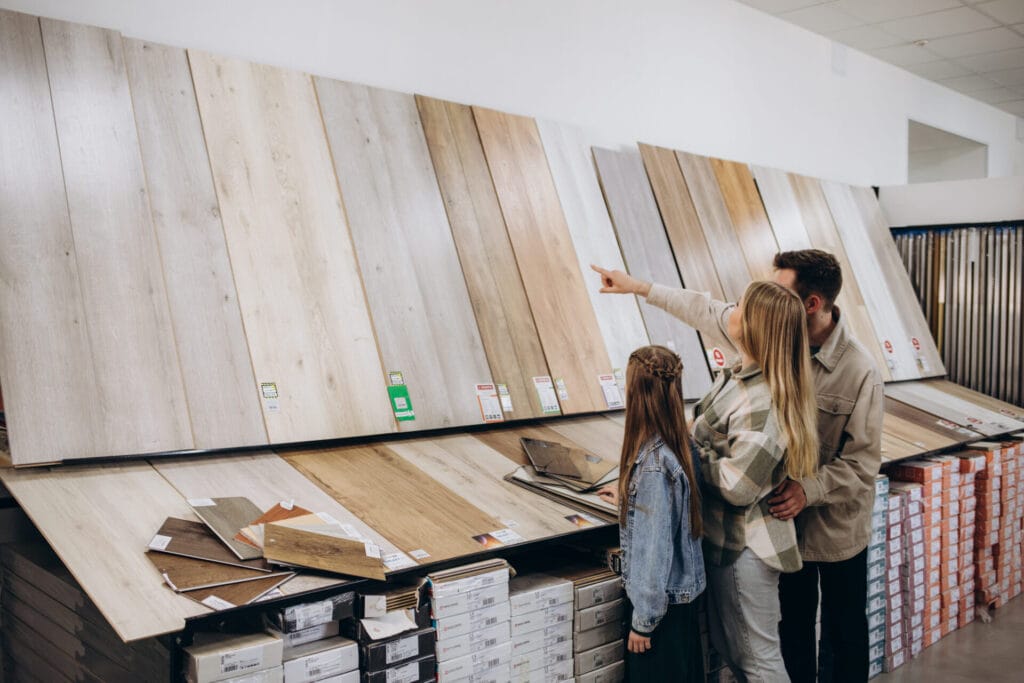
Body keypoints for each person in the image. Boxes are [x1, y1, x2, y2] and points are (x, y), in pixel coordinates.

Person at [592, 249, 883, 682]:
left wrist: (808, 488)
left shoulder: (854, 371)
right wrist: (639, 287)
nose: (735, 313)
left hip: (826, 527)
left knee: (836, 636)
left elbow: (860, 464)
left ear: (808, 305)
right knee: (786, 640)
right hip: (772, 527)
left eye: (772, 295)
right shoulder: (753, 366)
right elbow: (704, 308)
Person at [595, 345, 705, 682]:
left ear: (636, 395)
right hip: (680, 605)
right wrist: (630, 493)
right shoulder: (681, 446)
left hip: (659, 614)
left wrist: (643, 622)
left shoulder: (654, 467)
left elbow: (654, 552)